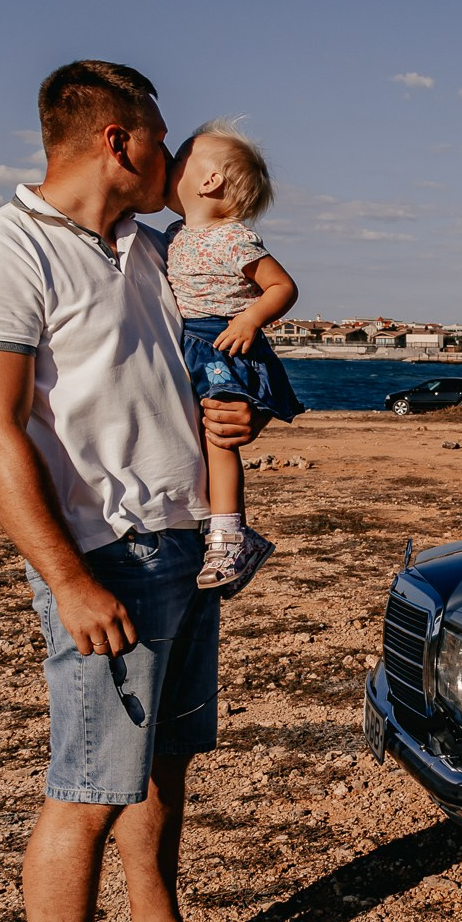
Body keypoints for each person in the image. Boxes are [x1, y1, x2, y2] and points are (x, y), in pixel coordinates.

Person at [0, 61, 277, 922]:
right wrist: (67, 581)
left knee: (165, 759)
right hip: (107, 563)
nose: (175, 163)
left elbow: (174, 378)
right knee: (86, 788)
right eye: (163, 141)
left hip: (180, 545)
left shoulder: (152, 250)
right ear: (122, 142)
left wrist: (232, 417)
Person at [163, 119, 303, 594]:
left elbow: (283, 286)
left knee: (219, 436)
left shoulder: (234, 238)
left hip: (220, 340)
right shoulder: (174, 232)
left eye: (177, 159)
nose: (167, 164)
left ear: (209, 181)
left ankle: (230, 535)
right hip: (193, 342)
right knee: (202, 435)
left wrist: (248, 321)